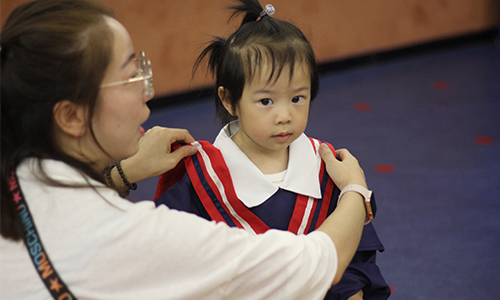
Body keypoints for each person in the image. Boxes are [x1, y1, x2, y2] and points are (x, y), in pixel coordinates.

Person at [2, 0, 377, 299]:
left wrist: (123, 172)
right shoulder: (177, 201)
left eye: (298, 97)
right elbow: (316, 264)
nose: (148, 97)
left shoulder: (21, 180)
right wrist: (355, 191)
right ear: (69, 116)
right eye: (131, 76)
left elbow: (355, 266)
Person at [154, 1, 391, 299]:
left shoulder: (328, 168)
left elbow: (355, 262)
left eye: (298, 98)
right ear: (229, 100)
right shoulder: (201, 176)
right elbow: (174, 267)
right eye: (266, 101)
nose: (284, 116)